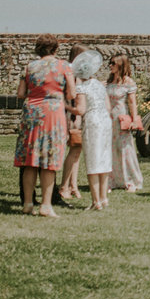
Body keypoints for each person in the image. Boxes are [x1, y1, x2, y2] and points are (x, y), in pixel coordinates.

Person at [14, 33, 76, 218]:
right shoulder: (63, 66)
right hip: (52, 112)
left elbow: (20, 93)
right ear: (56, 49)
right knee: (49, 159)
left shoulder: (30, 67)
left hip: (31, 112)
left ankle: (27, 204)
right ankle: (46, 205)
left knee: (30, 160)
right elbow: (72, 93)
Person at [72, 50, 112, 210]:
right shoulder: (100, 86)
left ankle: (96, 201)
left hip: (93, 121)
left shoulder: (81, 88)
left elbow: (81, 110)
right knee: (104, 159)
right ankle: (104, 198)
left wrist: (67, 106)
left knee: (93, 160)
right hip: (105, 121)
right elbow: (108, 107)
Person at [107, 54, 144, 192]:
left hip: (121, 118)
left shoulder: (128, 82)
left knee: (125, 149)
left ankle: (130, 180)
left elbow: (132, 102)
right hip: (109, 119)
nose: (110, 66)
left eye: (113, 63)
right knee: (111, 149)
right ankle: (112, 180)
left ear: (121, 65)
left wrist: (134, 119)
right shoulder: (109, 81)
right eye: (109, 63)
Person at [58, 43, 87, 202]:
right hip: (72, 115)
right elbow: (73, 94)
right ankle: (64, 187)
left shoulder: (72, 71)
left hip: (72, 113)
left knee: (76, 151)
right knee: (75, 150)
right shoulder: (71, 72)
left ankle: (73, 185)